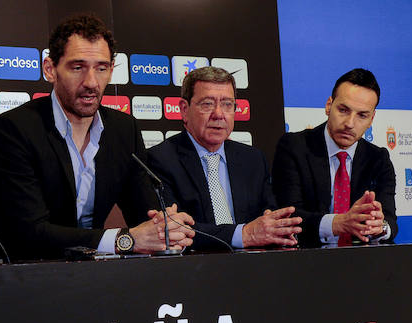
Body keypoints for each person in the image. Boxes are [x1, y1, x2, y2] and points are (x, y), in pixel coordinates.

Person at [0, 13, 194, 261]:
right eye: (77, 67)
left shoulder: (123, 130)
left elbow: (146, 214)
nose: (91, 82)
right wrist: (124, 240)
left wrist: (165, 228)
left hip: (92, 274)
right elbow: (29, 233)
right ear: (50, 69)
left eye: (101, 68)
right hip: (19, 274)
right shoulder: (13, 129)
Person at [147, 67, 301, 250]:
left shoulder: (253, 159)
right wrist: (244, 234)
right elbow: (174, 229)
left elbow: (269, 213)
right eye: (207, 104)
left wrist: (275, 227)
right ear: (184, 110)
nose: (219, 114)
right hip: (192, 269)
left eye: (227, 104)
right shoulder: (160, 160)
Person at [272, 68, 396, 246]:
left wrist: (379, 227)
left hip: (361, 262)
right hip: (305, 260)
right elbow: (288, 216)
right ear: (329, 105)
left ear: (372, 119)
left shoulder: (378, 158)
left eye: (362, 115)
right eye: (344, 110)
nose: (350, 124)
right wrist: (339, 223)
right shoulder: (294, 147)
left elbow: (390, 221)